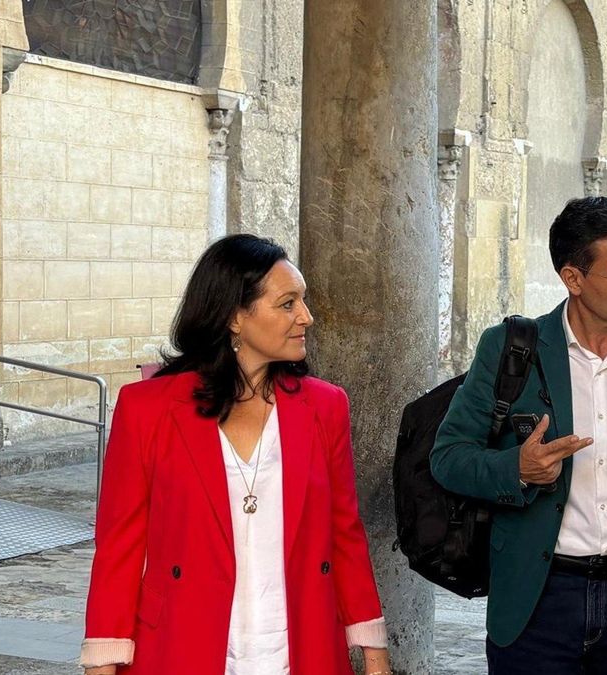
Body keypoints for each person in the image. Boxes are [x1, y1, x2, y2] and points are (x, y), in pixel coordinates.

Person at [81, 234, 391, 675]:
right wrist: (102, 666)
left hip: (302, 649)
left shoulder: (326, 406)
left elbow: (345, 536)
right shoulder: (145, 409)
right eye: (288, 304)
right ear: (234, 317)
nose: (307, 316)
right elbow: (119, 549)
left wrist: (374, 655)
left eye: (302, 302)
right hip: (182, 649)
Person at [431, 196, 607, 674]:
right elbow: (448, 457)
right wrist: (515, 469)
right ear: (573, 279)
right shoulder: (510, 348)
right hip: (536, 598)